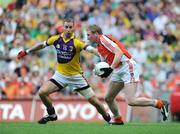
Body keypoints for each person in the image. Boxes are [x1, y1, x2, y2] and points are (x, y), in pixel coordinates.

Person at [17, 18, 110, 124]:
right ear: (63, 27)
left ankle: (108, 119)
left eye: (70, 27)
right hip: (60, 75)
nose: (68, 29)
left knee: (95, 102)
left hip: (76, 77)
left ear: (73, 28)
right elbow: (41, 45)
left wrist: (104, 55)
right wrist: (27, 51)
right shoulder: (55, 39)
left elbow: (92, 50)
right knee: (42, 92)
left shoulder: (77, 43)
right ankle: (52, 114)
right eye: (66, 27)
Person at [86, 24, 169, 125]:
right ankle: (118, 119)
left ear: (96, 33)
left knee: (131, 101)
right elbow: (99, 53)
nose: (87, 37)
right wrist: (85, 48)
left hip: (127, 66)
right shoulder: (100, 45)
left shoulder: (103, 39)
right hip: (118, 69)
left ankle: (161, 104)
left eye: (89, 34)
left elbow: (119, 53)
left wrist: (110, 69)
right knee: (108, 98)